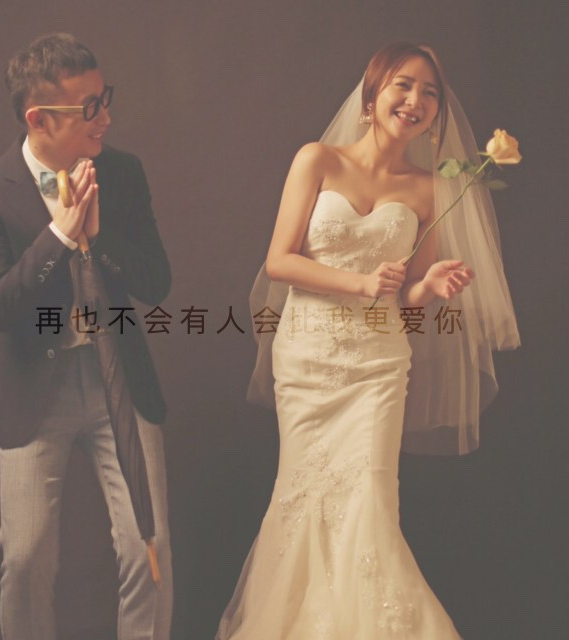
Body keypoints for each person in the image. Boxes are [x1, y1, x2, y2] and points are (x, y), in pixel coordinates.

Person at [217, 42, 519, 639]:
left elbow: (403, 301)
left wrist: (428, 286)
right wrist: (359, 282)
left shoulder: (430, 189)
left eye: (429, 93)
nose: (415, 101)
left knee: (370, 503)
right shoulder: (317, 160)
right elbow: (280, 261)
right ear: (372, 94)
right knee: (303, 497)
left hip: (378, 365)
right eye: (404, 85)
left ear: (436, 114)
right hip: (308, 357)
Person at [0, 33, 172, 640]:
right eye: (90, 107)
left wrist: (98, 239)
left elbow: (157, 283)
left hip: (120, 379)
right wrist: (58, 237)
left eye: (106, 98)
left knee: (149, 548)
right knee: (25, 559)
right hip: (36, 389)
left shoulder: (123, 172)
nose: (106, 117)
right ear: (39, 119)